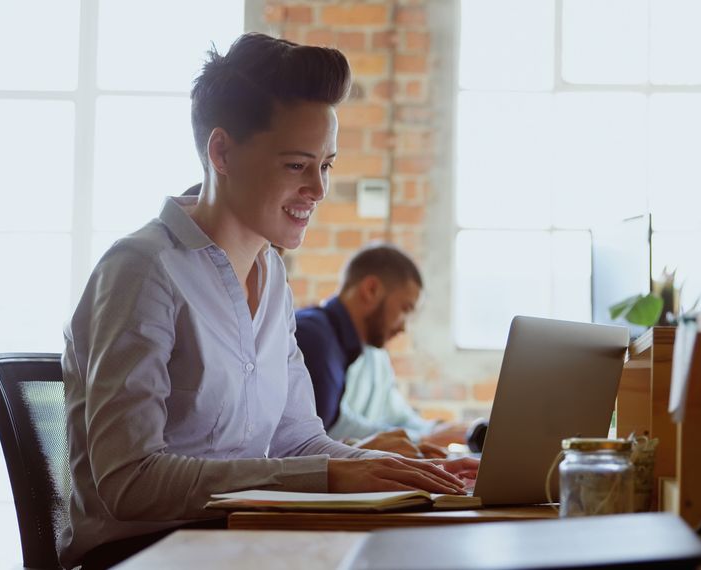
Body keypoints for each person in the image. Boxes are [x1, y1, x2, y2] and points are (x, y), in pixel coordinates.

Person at [59, 34, 477, 570]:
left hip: (243, 541)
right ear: (222, 152)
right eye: (297, 165)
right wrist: (329, 477)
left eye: (326, 165)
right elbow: (130, 481)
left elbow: (299, 442)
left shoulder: (271, 274)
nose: (319, 190)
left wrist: (403, 472)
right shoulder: (143, 271)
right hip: (145, 555)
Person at [295, 245, 469, 458]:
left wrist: (431, 432)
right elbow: (325, 435)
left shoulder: (348, 346)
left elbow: (392, 414)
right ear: (371, 290)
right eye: (405, 309)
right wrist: (420, 440)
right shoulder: (314, 339)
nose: (404, 327)